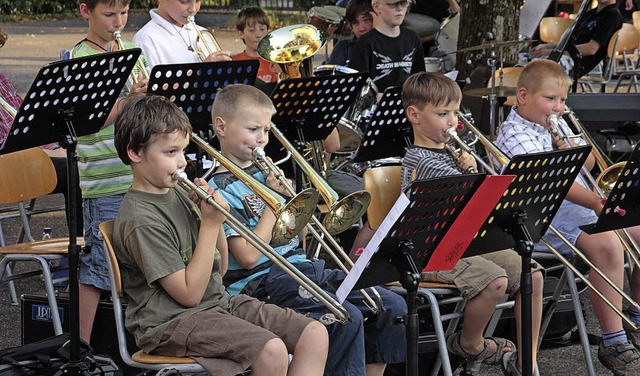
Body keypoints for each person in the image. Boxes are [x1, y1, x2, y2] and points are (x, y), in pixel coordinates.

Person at [111, 94, 328, 376]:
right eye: (170, 153)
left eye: (183, 152)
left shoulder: (177, 193)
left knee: (314, 333)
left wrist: (216, 217)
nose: (182, 163)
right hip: (171, 322)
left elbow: (221, 268)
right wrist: (210, 225)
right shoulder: (141, 219)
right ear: (135, 153)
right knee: (271, 350)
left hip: (217, 303)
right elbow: (189, 295)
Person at [207, 84, 407, 376]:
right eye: (253, 129)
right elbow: (248, 257)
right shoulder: (218, 189)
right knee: (343, 317)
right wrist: (274, 204)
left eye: (266, 130)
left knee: (391, 306)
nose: (262, 139)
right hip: (262, 282)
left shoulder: (266, 174)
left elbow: (295, 240)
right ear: (221, 127)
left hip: (302, 268)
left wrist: (292, 202)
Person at [495, 59, 640, 376]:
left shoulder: (554, 124)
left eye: (562, 100)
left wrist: (569, 142)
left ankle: (636, 315)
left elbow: (588, 163)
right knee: (608, 245)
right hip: (538, 215)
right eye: (550, 99)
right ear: (523, 96)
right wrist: (595, 201)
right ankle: (613, 341)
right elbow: (553, 182)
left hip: (570, 208)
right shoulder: (514, 134)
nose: (558, 107)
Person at [401, 72, 545, 376]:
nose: (452, 122)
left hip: (461, 242)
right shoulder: (421, 160)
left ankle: (527, 362)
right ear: (414, 115)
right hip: (429, 248)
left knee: (531, 271)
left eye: (454, 113)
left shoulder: (448, 156)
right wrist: (472, 173)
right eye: (442, 114)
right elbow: (471, 201)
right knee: (494, 280)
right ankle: (470, 344)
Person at [71, 0, 149, 344]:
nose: (118, 22)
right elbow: (84, 124)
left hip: (137, 174)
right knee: (97, 267)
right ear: (85, 10)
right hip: (103, 180)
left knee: (139, 260)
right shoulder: (80, 59)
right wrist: (127, 101)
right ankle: (81, 346)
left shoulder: (133, 50)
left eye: (124, 13)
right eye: (108, 14)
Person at [0, 28, 83, 235]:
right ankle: (85, 250)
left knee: (86, 162)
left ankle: (92, 247)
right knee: (73, 170)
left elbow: (27, 126)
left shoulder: (2, 82)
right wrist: (48, 153)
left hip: (28, 157)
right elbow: (7, 147)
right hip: (9, 166)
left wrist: (56, 146)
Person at [529, 0, 622, 79]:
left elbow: (591, 49)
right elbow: (570, 43)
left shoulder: (612, 15)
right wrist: (546, 46)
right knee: (524, 61)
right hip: (566, 56)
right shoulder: (590, 13)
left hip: (578, 62)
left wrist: (551, 52)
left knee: (535, 70)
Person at [348, 0, 425, 93]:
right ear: (376, 7)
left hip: (407, 105)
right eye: (393, 4)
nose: (399, 8)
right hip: (376, 106)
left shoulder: (413, 39)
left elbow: (420, 82)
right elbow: (356, 87)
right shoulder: (365, 44)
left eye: (404, 3)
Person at [133, 0, 232, 69]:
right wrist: (201, 72)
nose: (193, 9)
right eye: (184, 1)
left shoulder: (203, 33)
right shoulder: (146, 39)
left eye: (197, 0)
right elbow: (152, 95)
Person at [232, 7, 278, 85]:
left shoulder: (275, 61)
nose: (258, 35)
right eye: (252, 30)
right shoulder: (233, 62)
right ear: (241, 34)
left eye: (262, 29)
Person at [327, 0, 374, 66]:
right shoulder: (343, 49)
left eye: (367, 20)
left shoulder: (390, 47)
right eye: (355, 23)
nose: (361, 28)